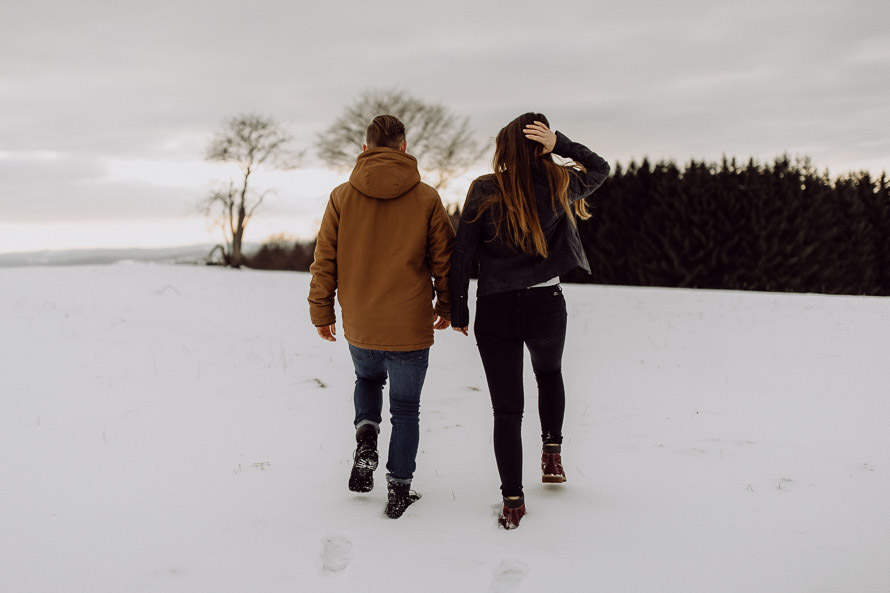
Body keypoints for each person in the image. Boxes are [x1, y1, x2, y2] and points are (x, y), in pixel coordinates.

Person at [449, 113, 609, 529]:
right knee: (549, 373)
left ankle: (513, 502)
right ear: (542, 148)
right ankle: (552, 452)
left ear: (503, 149)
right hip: (546, 305)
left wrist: (457, 308)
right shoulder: (560, 183)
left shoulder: (484, 189)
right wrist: (561, 144)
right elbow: (601, 169)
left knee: (506, 410)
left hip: (495, 309)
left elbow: (462, 253)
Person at [308, 114, 454, 519]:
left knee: (367, 378)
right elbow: (445, 260)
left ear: (366, 147)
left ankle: (366, 435)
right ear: (404, 147)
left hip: (360, 320)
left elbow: (325, 260)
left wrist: (322, 310)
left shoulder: (341, 196)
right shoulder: (427, 197)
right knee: (406, 409)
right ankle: (398, 491)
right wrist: (447, 306)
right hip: (409, 325)